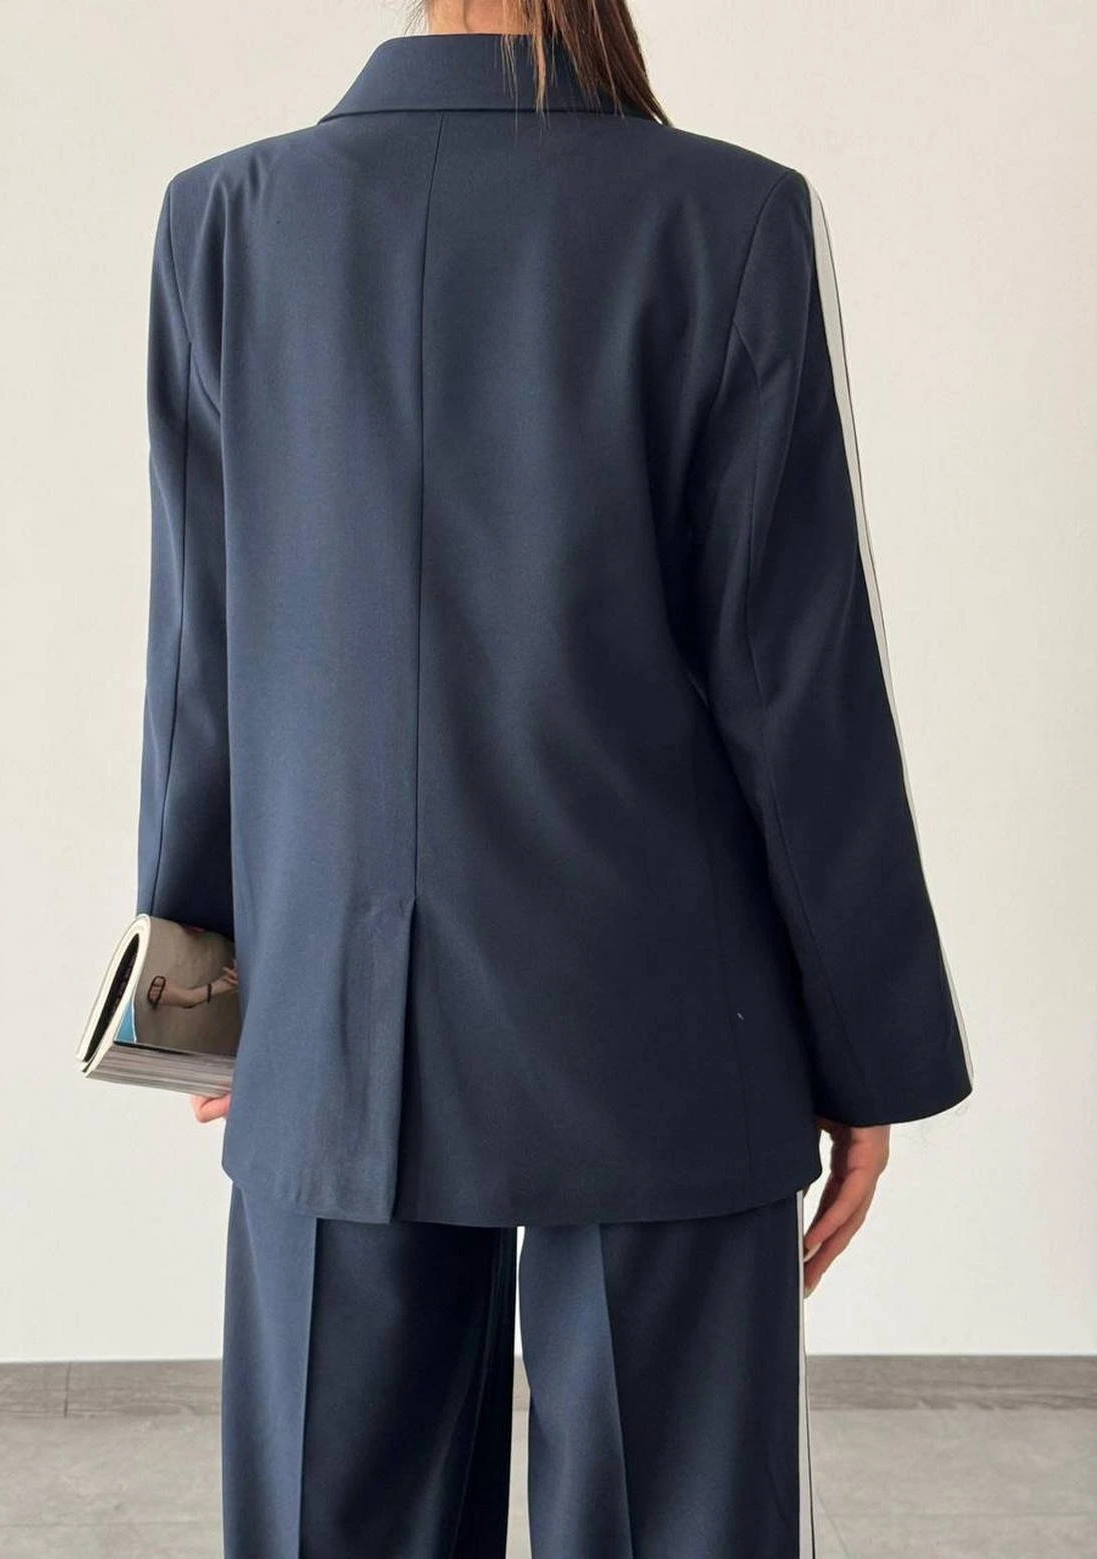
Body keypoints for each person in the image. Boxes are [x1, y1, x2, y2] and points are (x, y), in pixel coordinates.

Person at [133, 1, 974, 1552]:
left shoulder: (229, 217)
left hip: (342, 1014)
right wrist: (869, 1052)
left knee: (336, 1514)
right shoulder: (726, 214)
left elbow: (208, 651)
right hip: (667, 1011)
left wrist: (210, 995)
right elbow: (794, 683)